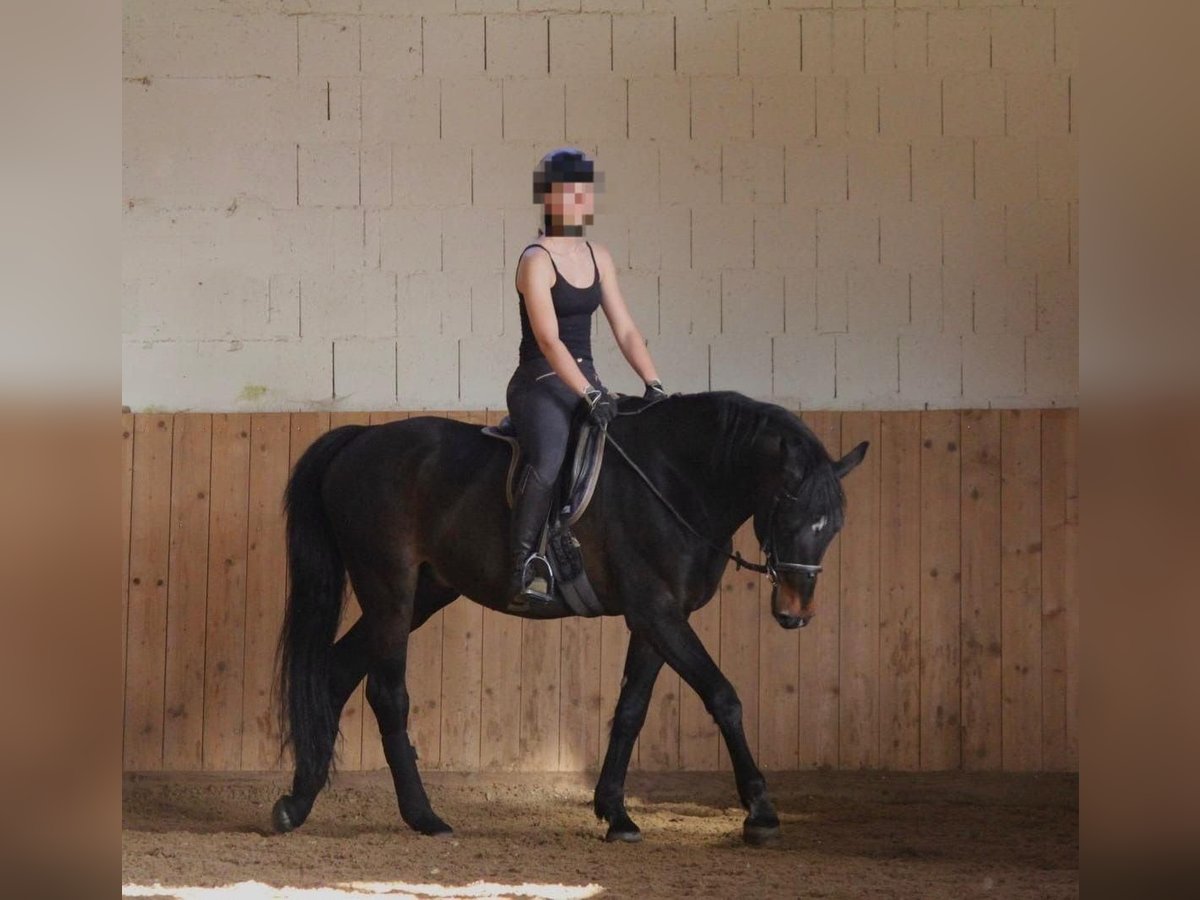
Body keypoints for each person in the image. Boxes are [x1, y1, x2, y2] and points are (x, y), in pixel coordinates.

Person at [505, 147, 667, 609]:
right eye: (571, 192)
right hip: (540, 381)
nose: (581, 200)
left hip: (587, 381)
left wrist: (653, 383)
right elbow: (550, 340)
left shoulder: (598, 255)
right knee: (551, 458)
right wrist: (590, 393)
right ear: (550, 197)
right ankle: (523, 565)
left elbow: (625, 327)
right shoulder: (535, 260)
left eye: (585, 191)